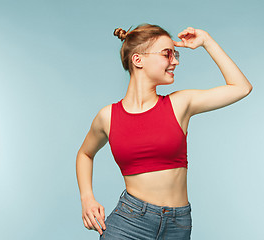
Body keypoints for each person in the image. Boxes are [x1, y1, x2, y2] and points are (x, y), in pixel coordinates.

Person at [76, 23, 252, 239]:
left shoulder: (180, 104)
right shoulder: (108, 117)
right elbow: (85, 154)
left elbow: (241, 87)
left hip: (177, 225)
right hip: (129, 223)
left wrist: (206, 41)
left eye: (175, 54)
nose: (175, 61)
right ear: (138, 59)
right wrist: (87, 198)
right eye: (167, 54)